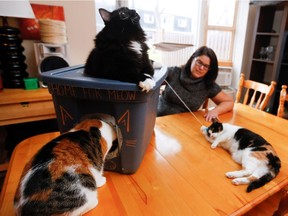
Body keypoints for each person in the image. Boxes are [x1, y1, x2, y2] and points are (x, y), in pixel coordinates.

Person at [157, 46, 234, 122]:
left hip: (182, 123)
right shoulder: (174, 72)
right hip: (158, 118)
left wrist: (215, 111)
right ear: (192, 59)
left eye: (206, 66)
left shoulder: (208, 85)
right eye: (199, 62)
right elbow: (152, 83)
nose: (201, 68)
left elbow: (229, 102)